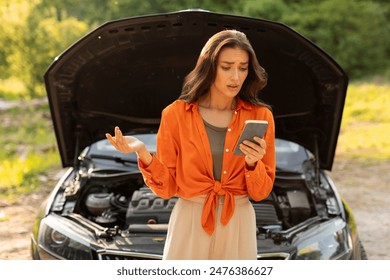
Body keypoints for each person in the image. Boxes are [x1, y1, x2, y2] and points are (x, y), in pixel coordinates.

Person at [106, 29, 276, 260]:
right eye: (226, 67)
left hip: (239, 220)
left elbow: (260, 192)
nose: (235, 76)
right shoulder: (175, 114)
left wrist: (252, 164)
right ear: (209, 66)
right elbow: (167, 189)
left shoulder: (261, 116)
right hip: (190, 219)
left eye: (243, 67)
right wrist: (143, 153)